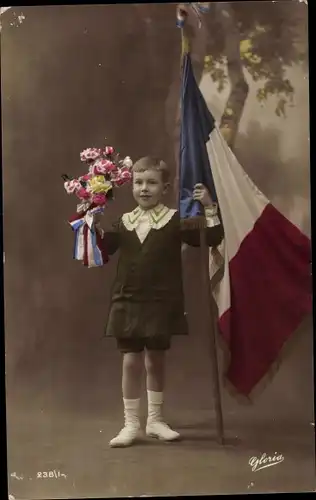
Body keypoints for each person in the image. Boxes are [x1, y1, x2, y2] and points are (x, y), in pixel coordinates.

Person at [95, 156, 223, 447]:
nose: (144, 188)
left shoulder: (175, 221)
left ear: (165, 187)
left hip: (160, 302)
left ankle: (155, 420)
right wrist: (91, 221)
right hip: (127, 300)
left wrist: (208, 206)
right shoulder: (124, 222)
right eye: (139, 182)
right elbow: (102, 248)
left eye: (152, 183)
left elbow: (213, 235)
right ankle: (131, 424)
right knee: (130, 362)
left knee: (155, 359)